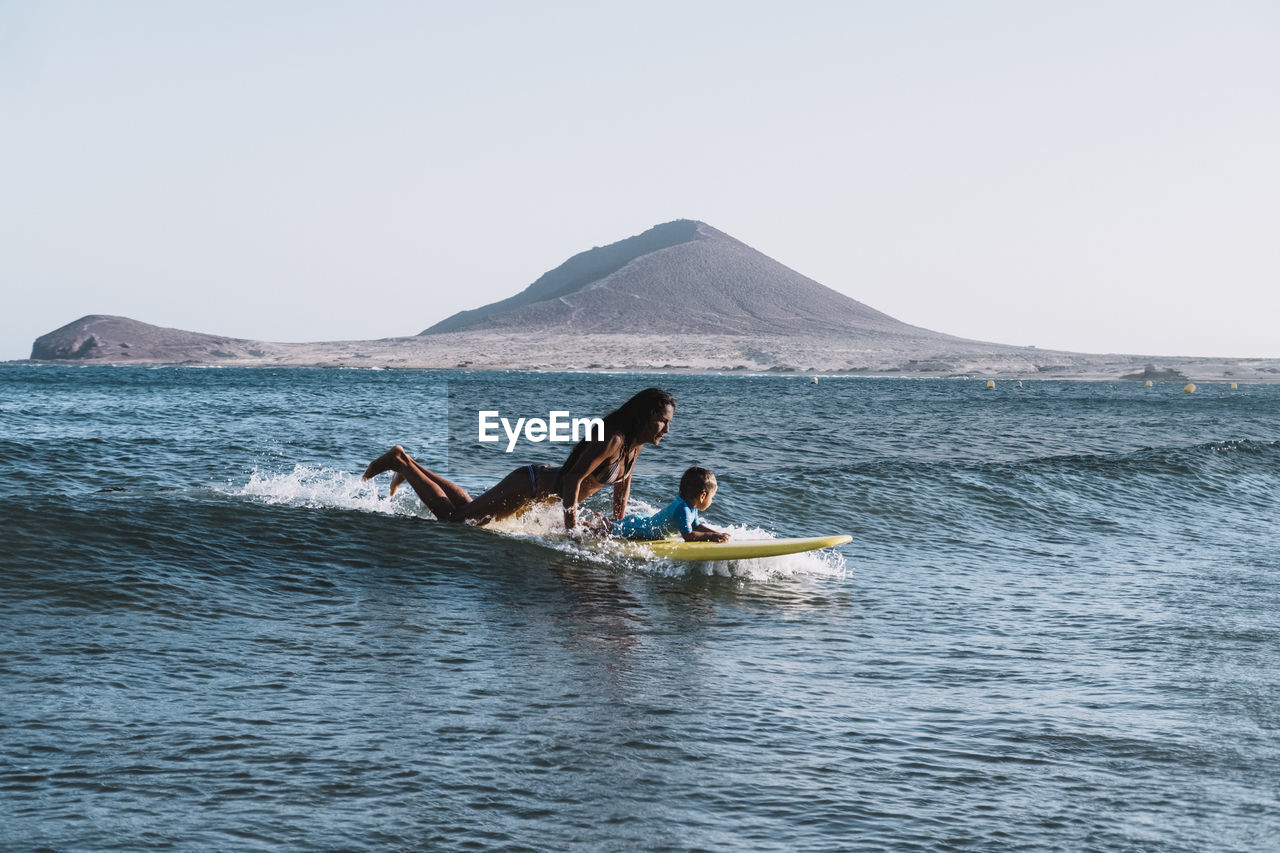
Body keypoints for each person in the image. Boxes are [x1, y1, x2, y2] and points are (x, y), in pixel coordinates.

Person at [362, 388, 675, 529]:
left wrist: (618, 525)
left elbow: (624, 484)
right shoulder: (612, 438)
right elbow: (572, 480)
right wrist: (572, 530)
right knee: (456, 521)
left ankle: (410, 466)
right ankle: (401, 463)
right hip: (531, 486)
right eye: (663, 421)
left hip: (537, 491)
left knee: (467, 507)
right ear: (645, 416)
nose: (667, 428)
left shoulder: (634, 445)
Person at [608, 466, 730, 542]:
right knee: (604, 531)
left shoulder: (691, 507)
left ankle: (604, 520)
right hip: (640, 528)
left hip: (645, 522)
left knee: (612, 525)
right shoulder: (683, 509)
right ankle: (592, 525)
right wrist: (710, 536)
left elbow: (696, 527)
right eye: (712, 496)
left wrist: (716, 533)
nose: (712, 500)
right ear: (702, 496)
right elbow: (688, 535)